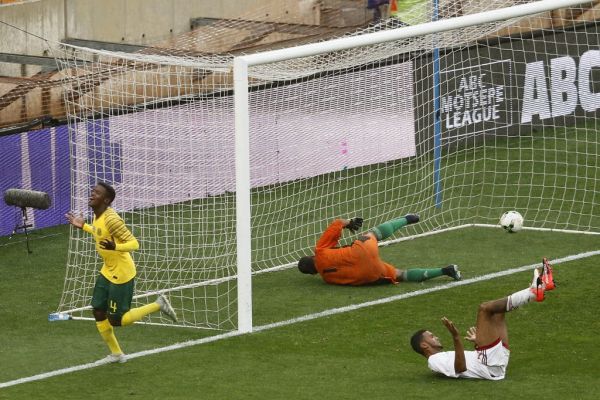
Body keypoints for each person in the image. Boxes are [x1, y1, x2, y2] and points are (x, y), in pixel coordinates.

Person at [65, 182, 178, 364]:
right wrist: (84, 226)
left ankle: (159, 304)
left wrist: (116, 246)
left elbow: (134, 244)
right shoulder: (97, 215)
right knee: (98, 311)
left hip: (122, 273)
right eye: (92, 191)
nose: (92, 194)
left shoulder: (112, 219)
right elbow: (100, 232)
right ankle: (116, 354)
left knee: (118, 320)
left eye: (97, 193)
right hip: (108, 270)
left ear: (106, 200)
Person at [410, 259, 556, 380]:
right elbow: (460, 368)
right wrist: (456, 337)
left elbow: (468, 364)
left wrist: (480, 340)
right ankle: (533, 291)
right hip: (489, 365)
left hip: (494, 362)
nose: (435, 336)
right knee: (484, 309)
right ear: (424, 345)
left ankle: (536, 289)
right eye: (431, 336)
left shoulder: (441, 357)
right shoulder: (433, 361)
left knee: (497, 312)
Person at [297, 215, 461, 286]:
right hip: (361, 251)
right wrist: (350, 222)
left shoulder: (328, 279)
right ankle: (409, 219)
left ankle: (446, 271)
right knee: (373, 234)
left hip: (369, 274)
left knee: (400, 274)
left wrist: (375, 279)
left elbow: (353, 283)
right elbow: (337, 223)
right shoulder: (319, 251)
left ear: (314, 273)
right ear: (311, 256)